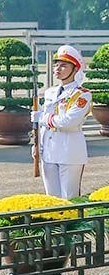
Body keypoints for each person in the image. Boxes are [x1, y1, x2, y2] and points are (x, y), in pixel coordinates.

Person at [36, 44, 92, 199]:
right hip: (48, 151)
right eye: (56, 65)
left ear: (75, 69)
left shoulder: (81, 95)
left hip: (70, 151)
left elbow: (69, 122)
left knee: (70, 198)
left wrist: (42, 118)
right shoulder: (50, 92)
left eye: (63, 65)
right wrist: (37, 145)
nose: (58, 69)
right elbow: (43, 127)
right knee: (51, 199)